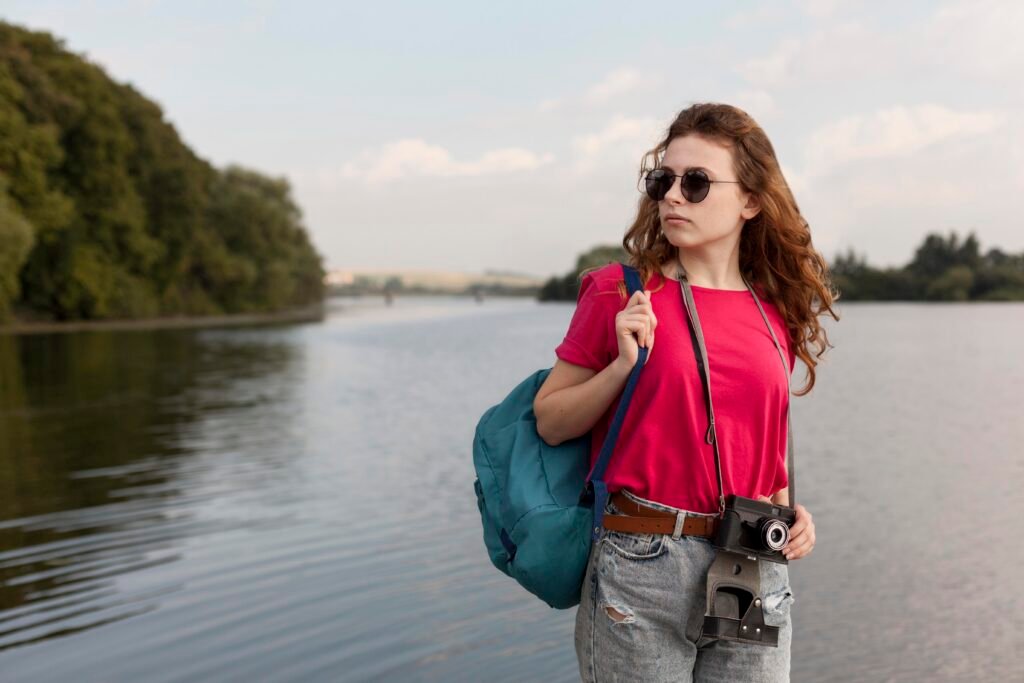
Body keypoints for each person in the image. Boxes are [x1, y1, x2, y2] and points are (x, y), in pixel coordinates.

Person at [533, 102, 839, 682]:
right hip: (642, 563)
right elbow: (550, 420)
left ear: (750, 200)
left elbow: (760, 449)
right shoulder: (620, 292)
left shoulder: (775, 313)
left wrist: (793, 514)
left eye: (696, 182)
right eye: (662, 180)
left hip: (754, 565)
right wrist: (622, 366)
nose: (672, 195)